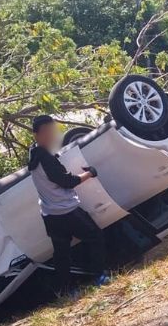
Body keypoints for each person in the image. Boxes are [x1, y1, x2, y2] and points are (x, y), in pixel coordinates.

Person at [28, 115, 108, 293]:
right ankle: (99, 276)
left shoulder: (33, 153)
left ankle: (66, 290)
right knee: (95, 236)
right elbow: (66, 181)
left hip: (49, 214)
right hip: (67, 211)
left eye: (53, 131)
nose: (52, 135)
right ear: (36, 135)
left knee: (62, 253)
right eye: (47, 132)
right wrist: (90, 174)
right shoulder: (45, 158)